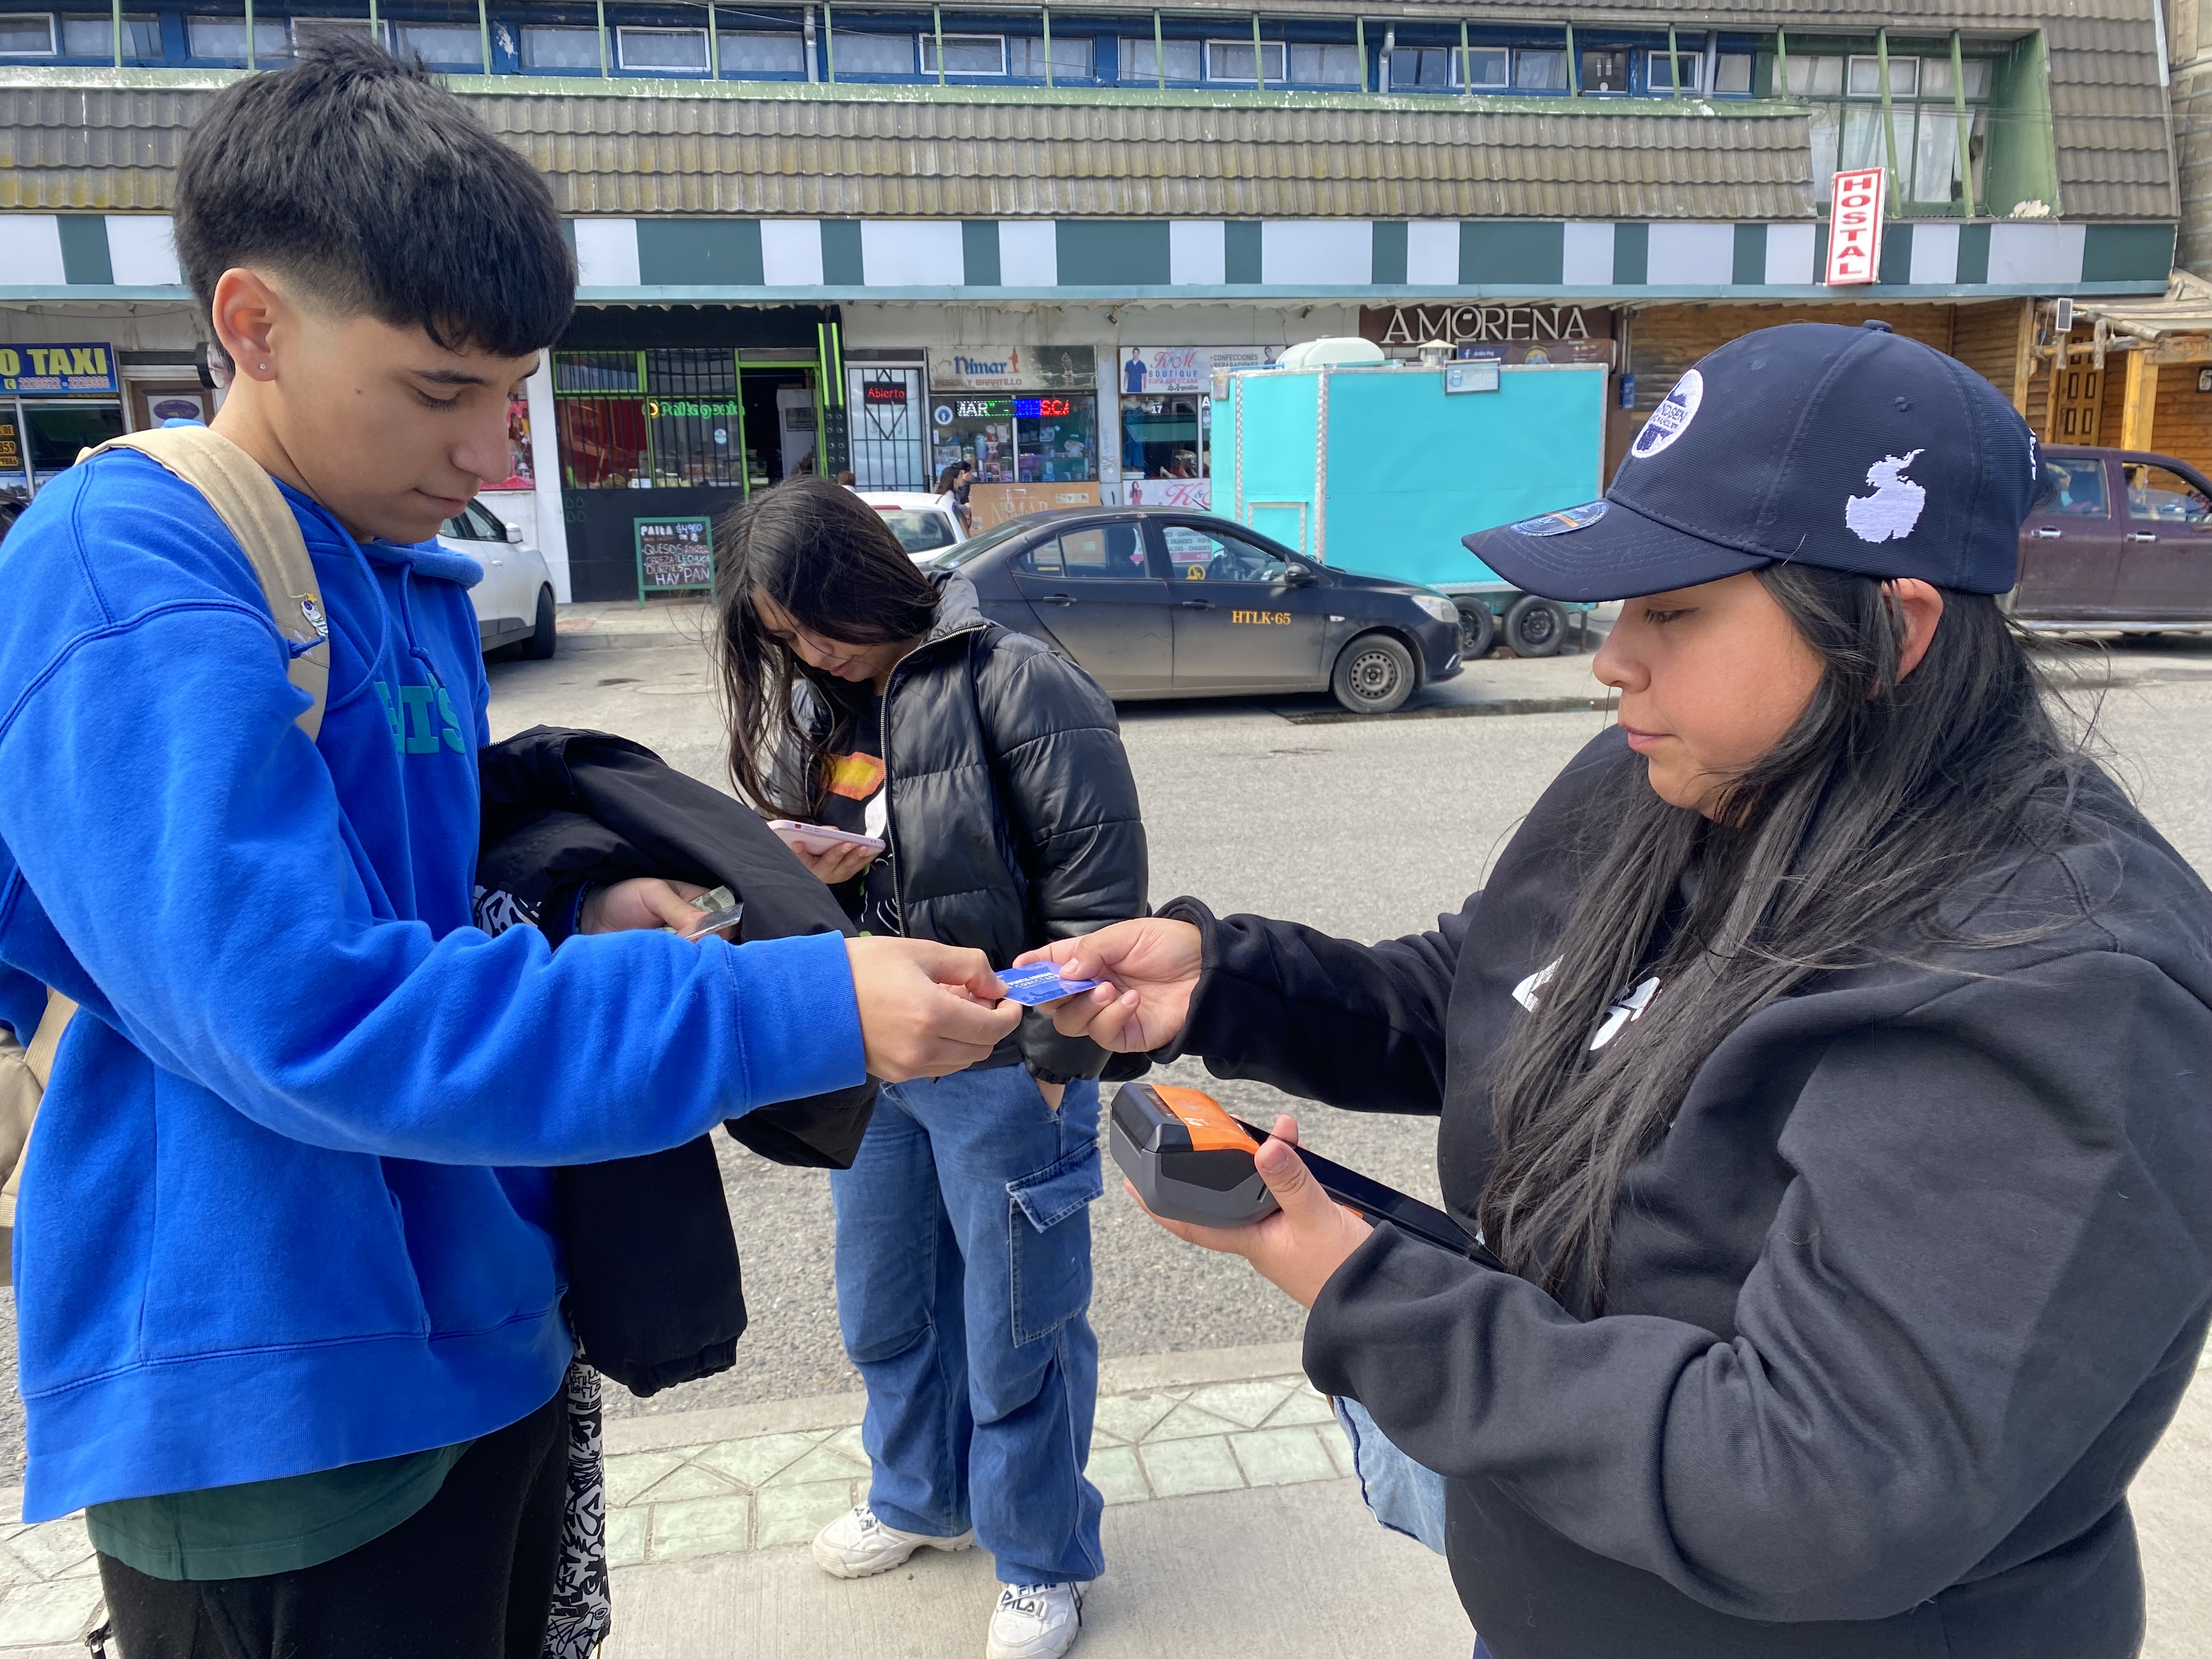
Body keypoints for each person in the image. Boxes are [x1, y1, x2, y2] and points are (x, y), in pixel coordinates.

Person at [0, 43, 1019, 1659]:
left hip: (493, 1328)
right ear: (252, 325)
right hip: (283, 1396)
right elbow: (307, 1011)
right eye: (438, 390)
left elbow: (424, 877)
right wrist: (801, 1009)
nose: (490, 455)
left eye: (513, 395)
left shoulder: (393, 581)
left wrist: (589, 887)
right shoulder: (131, 572)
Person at [1023, 323, 2212, 1659]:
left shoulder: (2057, 982)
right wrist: (1226, 984)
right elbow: (1498, 998)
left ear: (1894, 625)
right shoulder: (1670, 776)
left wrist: (1356, 1283)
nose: (1611, 659)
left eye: (1674, 610)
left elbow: (1821, 1485)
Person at [714, 477, 1146, 1659]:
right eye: (782, 641)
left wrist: (1055, 1065)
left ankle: (1041, 1558)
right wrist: (815, 870)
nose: (807, 655)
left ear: (863, 579)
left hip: (1010, 1064)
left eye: (813, 625)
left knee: (1022, 1327)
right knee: (886, 1309)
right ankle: (919, 1498)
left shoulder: (1020, 681)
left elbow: (1102, 905)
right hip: (879, 1063)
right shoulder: (831, 710)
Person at [935, 460, 975, 532]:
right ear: (955, 480)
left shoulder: (953, 492)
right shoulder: (949, 494)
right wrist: (966, 507)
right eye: (960, 476)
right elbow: (954, 508)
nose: (962, 478)